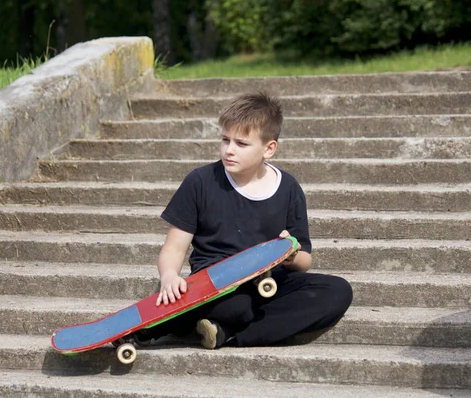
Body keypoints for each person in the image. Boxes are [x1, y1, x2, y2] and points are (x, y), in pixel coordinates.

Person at [138, 92, 353, 349]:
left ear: (269, 148)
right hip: (216, 284)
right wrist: (170, 275)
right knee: (235, 307)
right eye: (225, 140)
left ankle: (228, 334)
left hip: (270, 282)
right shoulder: (200, 182)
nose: (229, 150)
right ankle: (218, 323)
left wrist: (290, 254)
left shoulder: (288, 188)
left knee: (337, 291)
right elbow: (173, 247)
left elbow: (305, 260)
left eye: (241, 144)